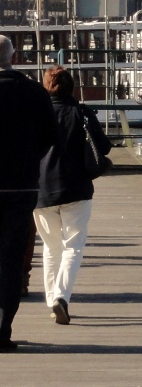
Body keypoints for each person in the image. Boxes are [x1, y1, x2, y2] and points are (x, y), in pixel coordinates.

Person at [33, 66, 112, 326]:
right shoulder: (82, 113)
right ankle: (61, 297)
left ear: (46, 86)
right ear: (72, 87)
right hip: (76, 188)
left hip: (41, 190)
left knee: (50, 247)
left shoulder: (37, 114)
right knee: (73, 247)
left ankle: (51, 300)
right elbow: (104, 147)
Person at [0, 35, 57, 351]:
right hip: (21, 186)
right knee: (10, 259)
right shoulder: (35, 92)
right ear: (13, 57)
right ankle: (3, 328)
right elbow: (50, 137)